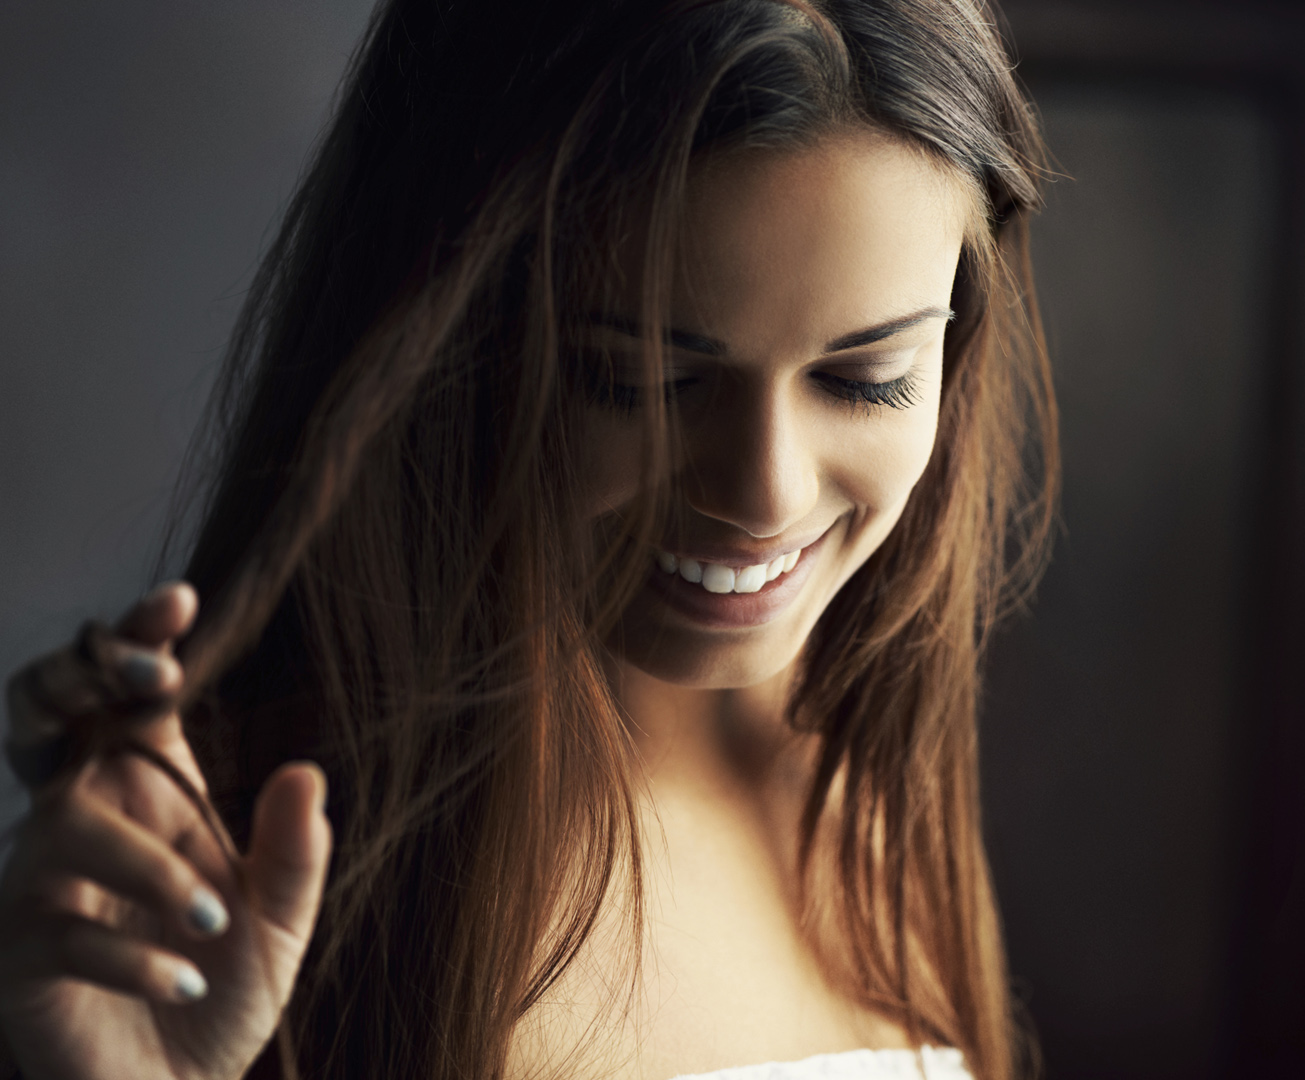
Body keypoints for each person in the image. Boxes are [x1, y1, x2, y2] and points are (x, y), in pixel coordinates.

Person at [0, 1, 1057, 1078]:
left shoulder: (864, 782)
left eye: (866, 380)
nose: (762, 492)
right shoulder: (253, 865)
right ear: (449, 340)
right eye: (636, 379)